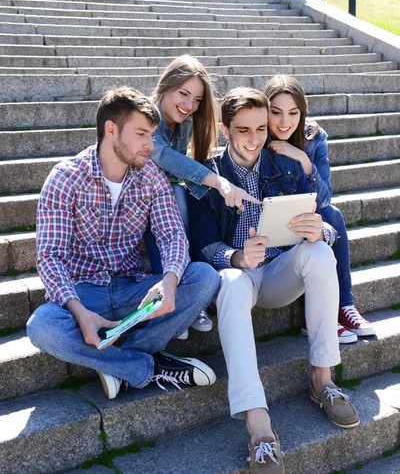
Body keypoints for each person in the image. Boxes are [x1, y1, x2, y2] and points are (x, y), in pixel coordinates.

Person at [187, 87, 360, 474]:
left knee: (319, 253)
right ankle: (258, 426)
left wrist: (324, 231)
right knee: (228, 283)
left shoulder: (284, 163)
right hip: (241, 278)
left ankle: (322, 379)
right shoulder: (206, 173)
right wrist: (234, 257)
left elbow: (326, 221)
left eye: (261, 128)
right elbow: (203, 244)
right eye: (243, 129)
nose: (254, 138)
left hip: (282, 271)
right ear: (225, 129)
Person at [27, 87, 220, 400]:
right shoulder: (65, 178)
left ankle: (118, 364)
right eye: (142, 134)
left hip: (136, 291)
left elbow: (172, 235)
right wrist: (78, 312)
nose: (150, 144)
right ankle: (147, 367)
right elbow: (50, 257)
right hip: (85, 293)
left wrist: (169, 282)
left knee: (205, 278)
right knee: (43, 327)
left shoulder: (151, 177)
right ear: (111, 130)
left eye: (152, 134)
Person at [146, 54, 262, 337]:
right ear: (165, 86)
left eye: (197, 100)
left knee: (182, 193)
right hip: (132, 200)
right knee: (176, 192)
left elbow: (177, 170)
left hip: (162, 199)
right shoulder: (146, 116)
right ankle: (179, 292)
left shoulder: (183, 123)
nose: (189, 106)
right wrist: (219, 182)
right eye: (184, 94)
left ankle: (191, 288)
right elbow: (163, 157)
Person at [264, 75, 376, 343]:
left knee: (332, 215)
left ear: (302, 112)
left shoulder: (313, 137)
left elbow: (324, 198)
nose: (284, 122)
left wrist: (303, 159)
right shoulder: (257, 136)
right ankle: (315, 315)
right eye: (276, 112)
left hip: (308, 211)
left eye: (293, 113)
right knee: (311, 222)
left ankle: (344, 305)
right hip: (271, 218)